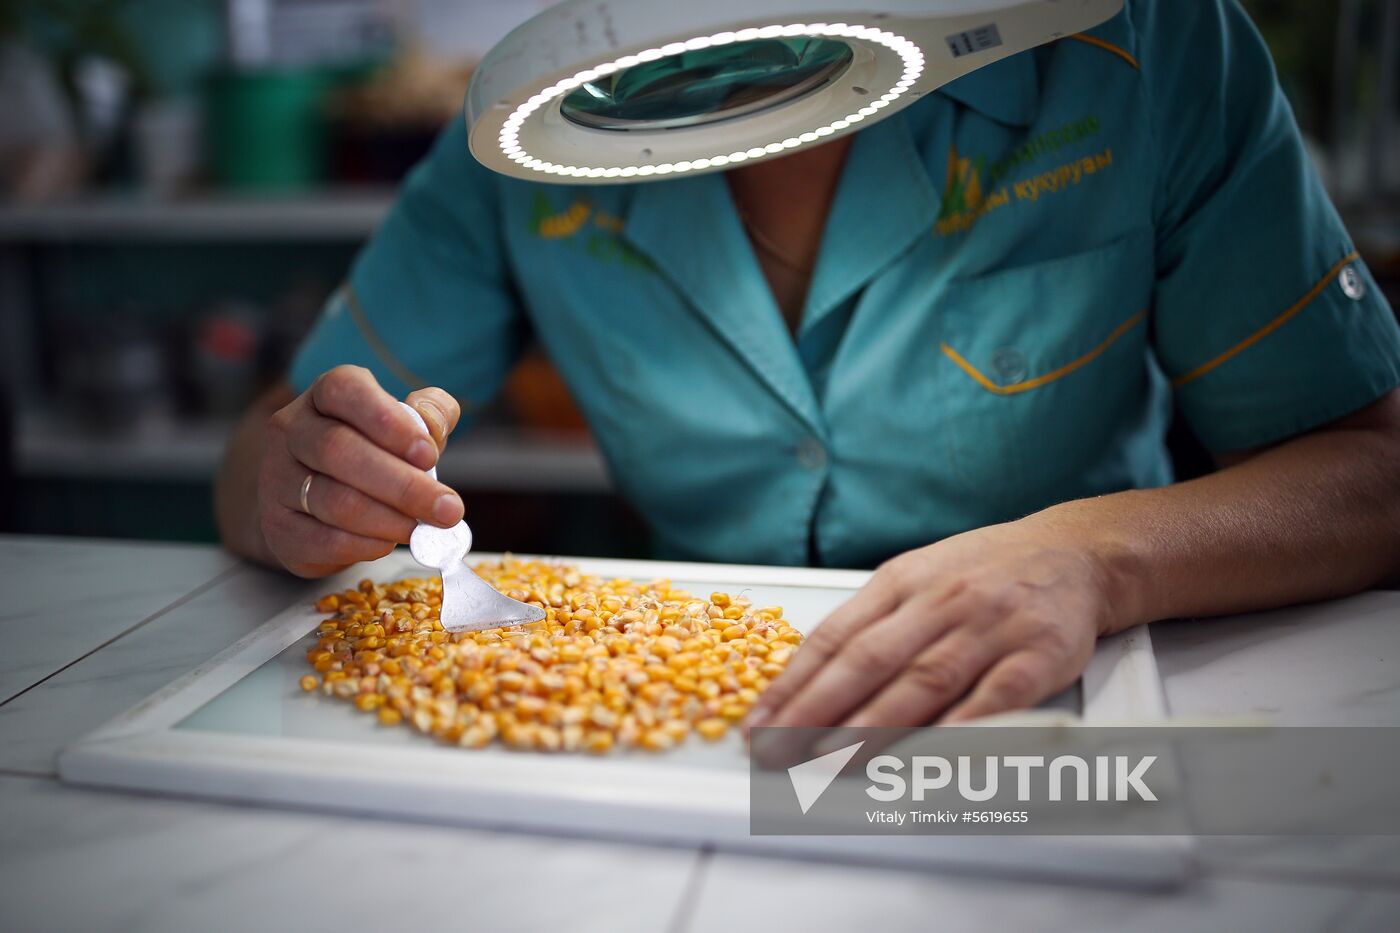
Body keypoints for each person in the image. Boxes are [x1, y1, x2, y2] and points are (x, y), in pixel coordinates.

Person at [216, 0, 1400, 731]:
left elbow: (1366, 470)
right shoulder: (532, 128)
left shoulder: (1143, 46)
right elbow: (265, 455)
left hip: (1067, 697)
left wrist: (1091, 560)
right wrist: (303, 483)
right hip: (694, 712)